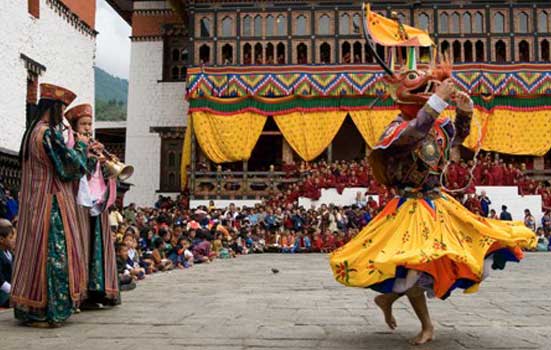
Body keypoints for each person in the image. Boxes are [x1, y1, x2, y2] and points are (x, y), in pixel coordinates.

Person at [328, 19, 535, 346]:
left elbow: (456, 142)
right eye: (414, 79)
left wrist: (464, 113)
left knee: (442, 262)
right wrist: (437, 101)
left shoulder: (440, 127)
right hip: (408, 207)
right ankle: (426, 325)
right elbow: (413, 134)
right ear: (397, 90)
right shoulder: (394, 129)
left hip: (438, 203)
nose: (426, 84)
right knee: (413, 266)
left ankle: (389, 300)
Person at [11, 84, 90, 327]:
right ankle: (48, 310)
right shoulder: (47, 134)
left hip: (34, 202)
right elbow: (69, 166)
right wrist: (82, 146)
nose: (64, 115)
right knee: (54, 254)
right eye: (62, 108)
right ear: (54, 108)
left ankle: (30, 308)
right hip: (51, 202)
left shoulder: (31, 133)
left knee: (34, 253)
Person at [65, 104, 120, 309]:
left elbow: (101, 177)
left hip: (98, 203)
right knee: (84, 245)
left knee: (99, 245)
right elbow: (74, 171)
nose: (88, 128)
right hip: (80, 204)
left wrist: (107, 165)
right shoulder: (71, 145)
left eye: (90, 124)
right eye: (84, 124)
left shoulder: (95, 145)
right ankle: (83, 293)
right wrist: (89, 158)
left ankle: (100, 290)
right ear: (75, 126)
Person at [0, 219, 15, 308]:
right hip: (3, 293)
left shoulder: (11, 254)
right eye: (10, 237)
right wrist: (13, 290)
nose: (13, 240)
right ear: (1, 239)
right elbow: (0, 281)